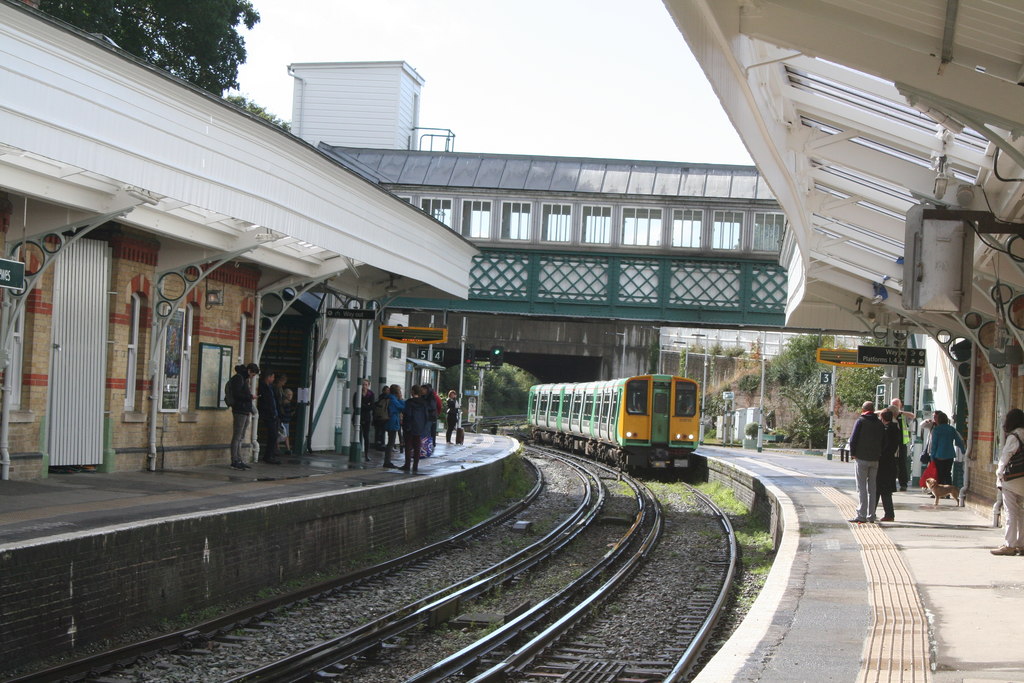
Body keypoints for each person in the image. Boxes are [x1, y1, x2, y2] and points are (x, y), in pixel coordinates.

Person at [993, 408, 1024, 555]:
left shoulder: (1014, 436)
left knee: (1011, 512)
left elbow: (1005, 457)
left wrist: (999, 473)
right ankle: (1022, 544)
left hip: (1012, 480)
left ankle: (1010, 545)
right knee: (1022, 513)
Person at [848, 400, 884, 523]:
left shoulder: (861, 421)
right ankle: (871, 515)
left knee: (861, 487)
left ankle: (861, 515)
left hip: (861, 458)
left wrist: (853, 453)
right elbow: (884, 441)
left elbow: (853, 439)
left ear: (863, 410)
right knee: (872, 488)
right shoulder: (879, 423)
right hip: (875, 459)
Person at [227, 363, 259, 470]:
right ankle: (234, 460)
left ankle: (239, 459)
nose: (252, 377)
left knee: (241, 436)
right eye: (253, 374)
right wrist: (250, 396)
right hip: (239, 410)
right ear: (249, 371)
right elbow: (237, 395)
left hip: (245, 410)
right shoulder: (239, 378)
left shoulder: (244, 379)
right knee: (237, 436)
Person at [882, 398, 915, 491]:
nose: (894, 407)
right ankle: (890, 482)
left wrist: (899, 412)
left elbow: (913, 416)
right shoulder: (886, 415)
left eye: (896, 405)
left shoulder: (902, 416)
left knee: (902, 464)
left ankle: (903, 483)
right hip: (890, 445)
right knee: (890, 464)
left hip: (901, 444)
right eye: (893, 405)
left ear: (900, 405)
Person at [875, 410, 899, 522]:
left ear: (882, 418)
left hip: (883, 463)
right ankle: (878, 512)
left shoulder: (885, 430)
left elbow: (883, 445)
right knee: (883, 490)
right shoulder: (896, 429)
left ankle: (888, 514)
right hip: (891, 462)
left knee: (880, 489)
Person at [927, 410, 964, 486]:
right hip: (949, 455)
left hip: (939, 455)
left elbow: (934, 445)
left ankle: (940, 492)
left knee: (939, 475)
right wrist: (964, 451)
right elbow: (959, 441)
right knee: (947, 474)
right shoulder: (951, 429)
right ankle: (948, 491)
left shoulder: (936, 430)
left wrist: (932, 457)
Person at [402, 385, 431, 473]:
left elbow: (408, 414)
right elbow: (426, 416)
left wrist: (406, 425)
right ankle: (415, 466)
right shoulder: (424, 403)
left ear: (413, 392)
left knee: (408, 446)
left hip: (410, 427)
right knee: (417, 446)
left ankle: (407, 464)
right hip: (419, 427)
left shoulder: (409, 402)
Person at [257, 369, 282, 464]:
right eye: (272, 377)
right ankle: (268, 456)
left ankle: (271, 454)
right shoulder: (263, 387)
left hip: (273, 414)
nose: (273, 379)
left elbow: (273, 400)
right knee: (272, 435)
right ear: (268, 377)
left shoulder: (270, 387)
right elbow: (265, 401)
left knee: (274, 435)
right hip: (268, 414)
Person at [383, 384, 405, 468]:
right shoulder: (393, 400)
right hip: (392, 422)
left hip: (389, 421)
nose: (400, 393)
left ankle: (387, 461)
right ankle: (387, 462)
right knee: (391, 442)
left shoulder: (389, 398)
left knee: (390, 442)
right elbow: (402, 407)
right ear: (396, 392)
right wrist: (401, 399)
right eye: (399, 391)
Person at [353, 379, 374, 459]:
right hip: (358, 417)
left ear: (368, 385)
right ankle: (358, 452)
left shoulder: (371, 394)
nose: (364, 386)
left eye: (366, 384)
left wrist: (362, 405)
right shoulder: (357, 394)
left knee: (366, 436)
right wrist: (366, 405)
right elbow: (356, 406)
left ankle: (366, 454)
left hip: (366, 417)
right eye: (363, 384)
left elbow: (371, 407)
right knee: (358, 434)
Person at [373, 385, 390, 451]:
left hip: (378, 418)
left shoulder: (379, 398)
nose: (388, 391)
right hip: (383, 418)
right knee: (382, 432)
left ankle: (378, 444)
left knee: (379, 432)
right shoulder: (386, 398)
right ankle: (381, 444)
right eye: (387, 390)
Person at [279, 388, 295, 455]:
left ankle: (282, 448)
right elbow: (286, 413)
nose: (290, 396)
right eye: (289, 394)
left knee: (283, 435)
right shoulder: (286, 403)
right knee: (284, 435)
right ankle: (287, 449)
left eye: (291, 395)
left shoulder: (283, 402)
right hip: (284, 421)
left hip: (285, 421)